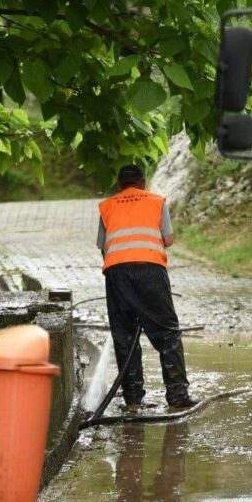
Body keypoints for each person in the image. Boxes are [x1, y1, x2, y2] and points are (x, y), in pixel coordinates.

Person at [97, 165, 196, 412]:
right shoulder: (156, 201)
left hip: (117, 273)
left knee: (124, 335)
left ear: (119, 185)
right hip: (151, 270)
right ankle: (178, 396)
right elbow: (168, 239)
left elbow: (103, 246)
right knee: (167, 333)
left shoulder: (107, 206)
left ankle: (132, 400)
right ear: (143, 182)